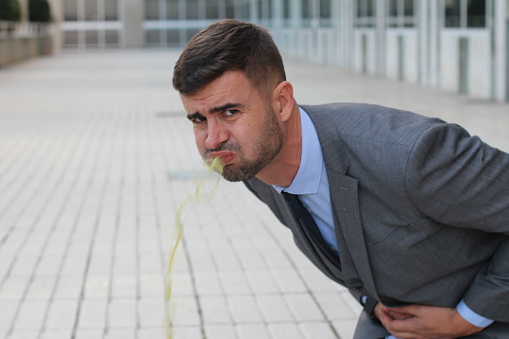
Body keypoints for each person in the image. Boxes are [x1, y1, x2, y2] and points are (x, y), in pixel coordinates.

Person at [172, 19, 509, 338]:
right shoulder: (251, 164)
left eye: (230, 112)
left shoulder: (412, 154)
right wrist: (374, 304)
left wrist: (468, 316)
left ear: (282, 102)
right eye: (198, 119)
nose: (213, 139)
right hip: (396, 319)